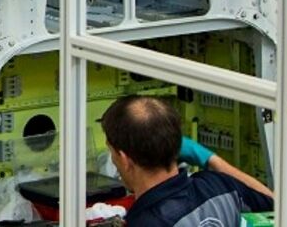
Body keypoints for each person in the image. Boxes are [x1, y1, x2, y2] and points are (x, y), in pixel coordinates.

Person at [101, 95, 274, 226]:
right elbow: (274, 204)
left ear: (125, 159)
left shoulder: (145, 221)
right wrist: (212, 160)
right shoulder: (217, 186)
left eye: (112, 152)